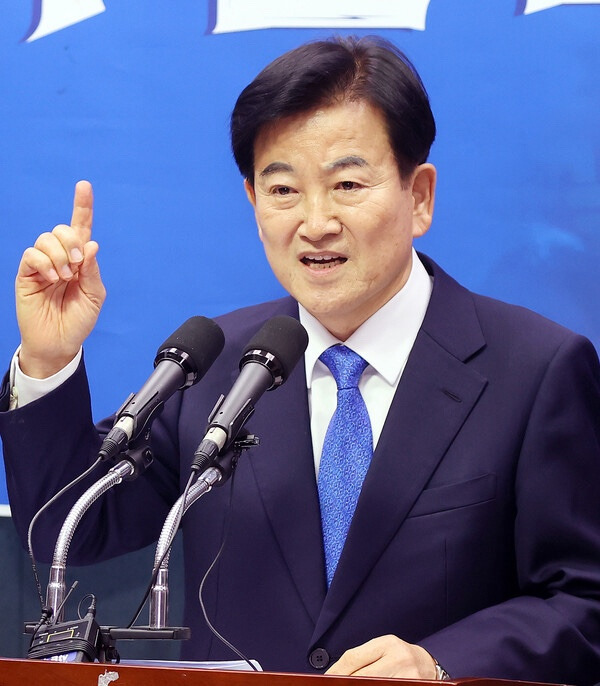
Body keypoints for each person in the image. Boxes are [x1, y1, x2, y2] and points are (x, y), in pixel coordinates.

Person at [2, 36, 600, 683]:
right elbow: (67, 529)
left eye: (347, 184)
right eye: (284, 189)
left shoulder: (535, 369)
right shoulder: (213, 365)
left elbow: (584, 599)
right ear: (254, 202)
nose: (315, 222)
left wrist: (442, 663)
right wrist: (48, 359)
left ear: (420, 195)